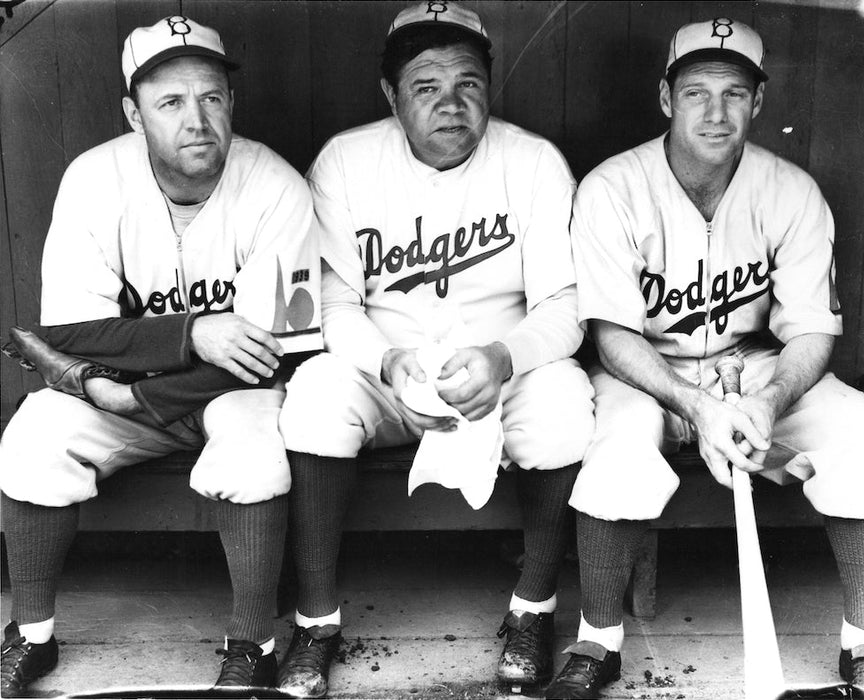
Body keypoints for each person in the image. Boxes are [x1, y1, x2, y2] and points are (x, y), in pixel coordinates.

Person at [273, 1, 595, 696]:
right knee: (315, 395)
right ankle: (316, 619)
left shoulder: (533, 161)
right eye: (425, 86)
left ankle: (532, 608)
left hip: (498, 368)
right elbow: (332, 306)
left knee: (566, 399)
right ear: (389, 94)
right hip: (387, 367)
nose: (450, 104)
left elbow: (563, 307)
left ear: (490, 85)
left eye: (468, 83)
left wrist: (506, 358)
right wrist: (385, 364)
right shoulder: (346, 160)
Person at [549, 17, 864, 699]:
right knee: (616, 447)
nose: (716, 111)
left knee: (858, 430)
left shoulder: (790, 191)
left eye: (734, 93)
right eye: (696, 92)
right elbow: (611, 335)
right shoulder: (613, 187)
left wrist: (768, 400)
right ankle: (597, 641)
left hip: (755, 368)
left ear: (757, 103)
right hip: (644, 369)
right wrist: (691, 404)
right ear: (666, 99)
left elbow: (813, 330)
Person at [0, 15, 322, 696]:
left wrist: (140, 397)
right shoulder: (94, 179)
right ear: (133, 113)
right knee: (34, 435)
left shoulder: (276, 187)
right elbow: (70, 330)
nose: (196, 119)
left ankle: (254, 644)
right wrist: (192, 332)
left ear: (231, 102)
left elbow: (280, 351)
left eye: (211, 97)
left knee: (253, 445)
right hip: (125, 385)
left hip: (232, 388)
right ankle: (30, 636)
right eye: (170, 102)